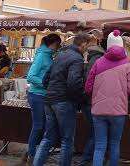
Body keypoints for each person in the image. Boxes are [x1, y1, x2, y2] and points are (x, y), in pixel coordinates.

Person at [33, 33, 91, 166]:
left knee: (48, 138)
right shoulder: (77, 59)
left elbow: (45, 79)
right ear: (83, 44)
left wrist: (52, 91)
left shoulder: (60, 55)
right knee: (67, 140)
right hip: (64, 101)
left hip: (49, 99)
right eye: (87, 46)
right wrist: (80, 99)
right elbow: (73, 83)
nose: (86, 49)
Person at [85, 30, 130, 166]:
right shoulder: (128, 63)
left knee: (100, 146)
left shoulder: (98, 62)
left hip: (99, 110)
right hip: (118, 111)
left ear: (108, 46)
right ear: (121, 46)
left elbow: (88, 87)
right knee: (114, 145)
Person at [25, 34, 62, 165]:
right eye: (58, 44)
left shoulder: (49, 56)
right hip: (37, 95)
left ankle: (36, 153)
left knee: (43, 126)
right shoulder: (42, 56)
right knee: (39, 126)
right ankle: (31, 154)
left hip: (43, 96)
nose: (58, 47)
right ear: (53, 43)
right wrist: (46, 84)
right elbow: (31, 76)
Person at [80, 36, 105, 166]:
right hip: (90, 102)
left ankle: (88, 159)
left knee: (93, 132)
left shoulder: (91, 59)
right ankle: (86, 160)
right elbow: (90, 83)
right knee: (96, 133)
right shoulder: (98, 60)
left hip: (87, 101)